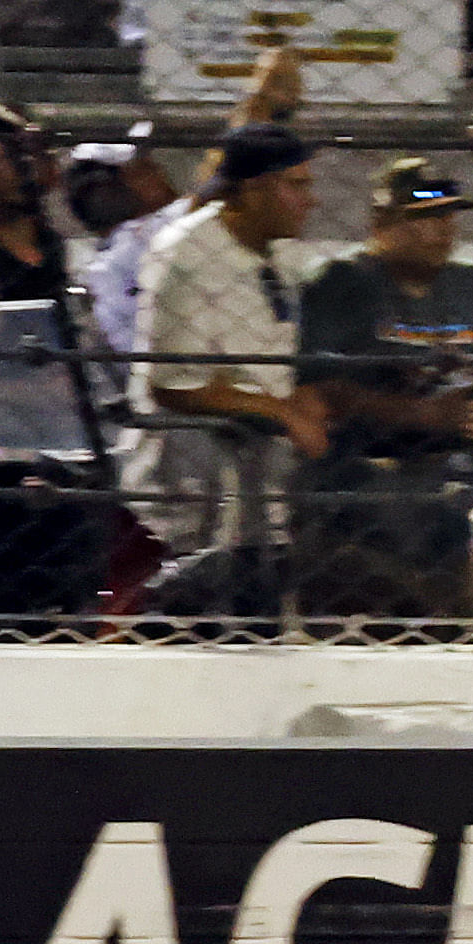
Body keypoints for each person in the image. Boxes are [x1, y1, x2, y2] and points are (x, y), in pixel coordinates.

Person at [288, 157, 473, 619]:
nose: (442, 229)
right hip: (356, 494)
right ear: (383, 221)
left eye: (448, 216)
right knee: (354, 629)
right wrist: (423, 415)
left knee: (446, 635)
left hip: (446, 496)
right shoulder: (342, 283)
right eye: (424, 216)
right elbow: (322, 386)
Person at [129, 121, 324, 613]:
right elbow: (173, 384)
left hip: (261, 498)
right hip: (191, 499)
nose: (312, 199)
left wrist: (302, 396)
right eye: (296, 185)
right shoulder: (188, 254)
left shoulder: (282, 249)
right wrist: (279, 411)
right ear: (255, 191)